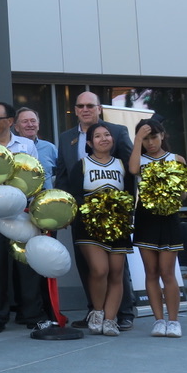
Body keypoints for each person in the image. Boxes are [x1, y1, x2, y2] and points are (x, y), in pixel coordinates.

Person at [55, 91, 136, 330]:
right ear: (75, 110)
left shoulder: (116, 132)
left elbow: (131, 171)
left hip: (115, 216)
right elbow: (62, 175)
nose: (85, 109)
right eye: (80, 106)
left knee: (117, 268)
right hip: (83, 214)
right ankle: (95, 311)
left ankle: (123, 313)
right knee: (90, 267)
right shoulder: (66, 137)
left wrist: (127, 210)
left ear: (99, 108)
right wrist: (65, 210)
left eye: (90, 105)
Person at [0, 102, 46, 333]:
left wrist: (31, 208)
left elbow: (36, 175)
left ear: (10, 121)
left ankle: (32, 313)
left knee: (27, 263)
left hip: (22, 213)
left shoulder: (26, 145)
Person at [128, 119, 187, 338]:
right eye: (145, 139)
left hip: (169, 218)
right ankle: (158, 320)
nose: (150, 142)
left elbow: (184, 194)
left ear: (162, 135)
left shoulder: (176, 159)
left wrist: (172, 193)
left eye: (153, 137)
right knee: (151, 272)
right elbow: (133, 169)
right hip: (146, 218)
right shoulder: (140, 160)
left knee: (167, 272)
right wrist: (136, 140)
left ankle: (174, 321)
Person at [73, 122, 133, 336]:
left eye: (107, 135)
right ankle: (97, 312)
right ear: (89, 143)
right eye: (98, 136)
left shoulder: (122, 165)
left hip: (118, 225)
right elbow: (75, 196)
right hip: (89, 226)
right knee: (100, 270)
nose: (104, 138)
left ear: (113, 140)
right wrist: (92, 212)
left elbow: (130, 194)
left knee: (117, 273)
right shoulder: (82, 164)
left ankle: (110, 319)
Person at [14, 107, 57, 189]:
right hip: (19, 199)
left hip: (46, 199)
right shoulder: (10, 148)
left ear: (38, 125)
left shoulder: (50, 148)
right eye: (25, 121)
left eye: (33, 121)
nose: (30, 125)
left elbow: (62, 174)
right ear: (16, 127)